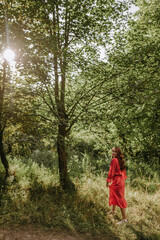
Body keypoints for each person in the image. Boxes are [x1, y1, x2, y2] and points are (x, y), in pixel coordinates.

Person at [106, 147, 127, 224]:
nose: (113, 153)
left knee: (120, 199)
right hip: (120, 181)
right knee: (114, 195)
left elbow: (111, 171)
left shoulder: (114, 160)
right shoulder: (120, 160)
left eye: (115, 151)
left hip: (118, 182)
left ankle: (124, 219)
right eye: (112, 151)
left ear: (118, 153)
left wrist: (108, 181)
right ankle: (113, 211)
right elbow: (123, 172)